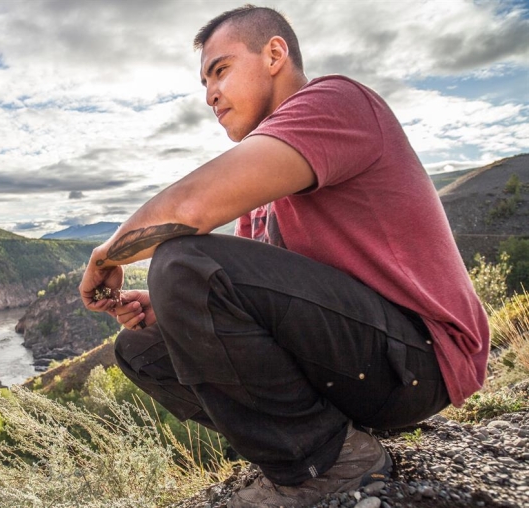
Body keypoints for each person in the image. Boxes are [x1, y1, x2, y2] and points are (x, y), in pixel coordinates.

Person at [78, 5, 489, 507]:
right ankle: (318, 443)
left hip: (420, 360)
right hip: (361, 362)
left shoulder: (337, 101)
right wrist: (169, 307)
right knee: (139, 348)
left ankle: (327, 464)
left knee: (182, 262)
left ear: (275, 53)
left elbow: (191, 209)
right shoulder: (268, 192)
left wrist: (107, 256)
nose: (209, 94)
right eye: (204, 82)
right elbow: (253, 305)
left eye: (220, 70)